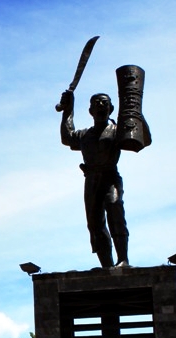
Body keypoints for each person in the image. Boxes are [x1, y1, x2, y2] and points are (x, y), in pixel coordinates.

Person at [59, 90, 129, 268]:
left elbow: (141, 139)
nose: (100, 106)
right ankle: (107, 265)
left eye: (104, 103)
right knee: (95, 224)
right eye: (96, 103)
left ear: (111, 108)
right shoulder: (85, 135)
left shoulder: (117, 130)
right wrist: (68, 109)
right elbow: (67, 137)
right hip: (91, 181)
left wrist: (134, 112)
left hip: (110, 176)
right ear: (90, 110)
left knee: (114, 208)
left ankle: (123, 259)